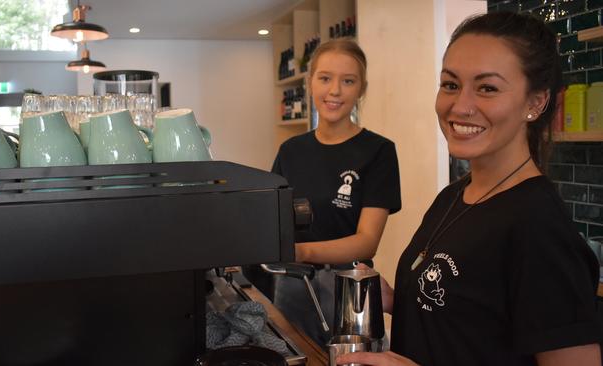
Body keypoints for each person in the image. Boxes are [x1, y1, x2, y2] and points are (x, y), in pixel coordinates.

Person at [336, 11, 602, 366]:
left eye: (487, 88)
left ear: (536, 102)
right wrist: (402, 299)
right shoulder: (454, 196)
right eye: (450, 84)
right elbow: (474, 324)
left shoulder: (538, 227)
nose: (460, 106)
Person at [247, 39, 402, 347]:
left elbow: (366, 240)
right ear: (310, 82)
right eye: (325, 78)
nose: (335, 91)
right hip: (290, 284)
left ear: (361, 88)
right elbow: (274, 217)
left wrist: (300, 251)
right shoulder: (291, 150)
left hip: (350, 286)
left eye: (348, 81)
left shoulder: (378, 151)